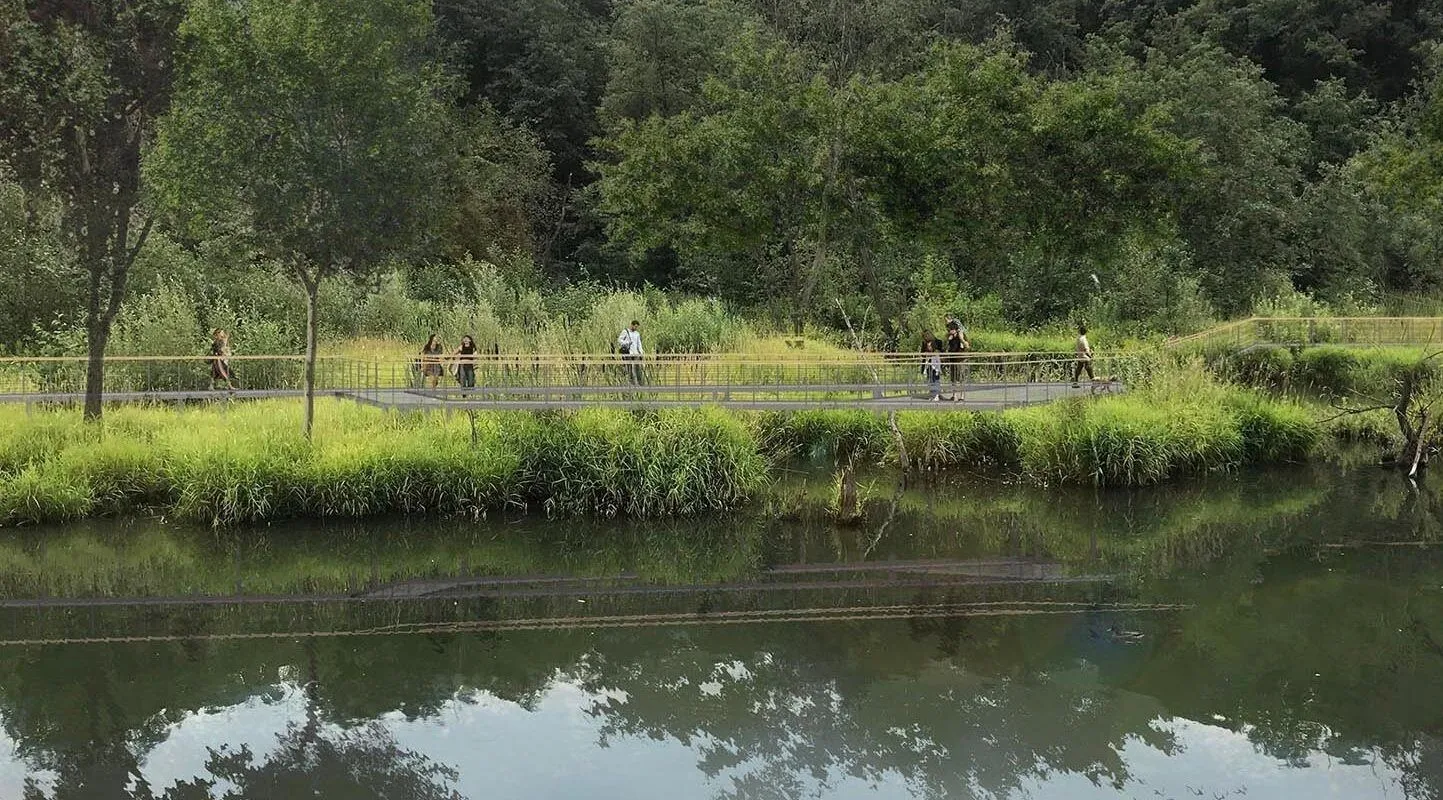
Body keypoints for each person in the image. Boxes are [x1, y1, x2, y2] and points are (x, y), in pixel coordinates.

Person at [944, 319, 970, 402]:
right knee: (953, 378)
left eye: (950, 329)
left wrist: (961, 339)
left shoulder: (961, 335)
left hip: (960, 360)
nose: (949, 331)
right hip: (952, 359)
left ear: (954, 329)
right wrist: (948, 339)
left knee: (961, 378)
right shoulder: (950, 337)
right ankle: (954, 395)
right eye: (948, 330)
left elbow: (967, 346)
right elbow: (946, 347)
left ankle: (962, 396)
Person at [617, 320, 644, 385]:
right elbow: (619, 340)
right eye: (635, 326)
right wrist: (627, 343)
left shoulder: (637, 333)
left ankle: (639, 382)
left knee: (637, 367)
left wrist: (641, 352)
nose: (636, 328)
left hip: (636, 353)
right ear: (631, 325)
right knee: (629, 367)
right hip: (628, 352)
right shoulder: (625, 332)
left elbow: (639, 343)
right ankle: (630, 382)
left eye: (637, 327)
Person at [920, 331, 942, 402]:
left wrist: (932, 352)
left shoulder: (938, 342)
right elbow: (922, 353)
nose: (924, 339)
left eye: (925, 337)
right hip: (928, 363)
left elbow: (939, 352)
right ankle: (932, 394)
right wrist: (925, 353)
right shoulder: (924, 343)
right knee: (930, 379)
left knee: (936, 379)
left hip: (935, 363)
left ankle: (936, 395)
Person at [1072, 323, 1095, 388]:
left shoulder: (1078, 338)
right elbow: (1086, 349)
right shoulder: (1083, 339)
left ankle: (1075, 382)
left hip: (1080, 355)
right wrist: (1090, 356)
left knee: (1079, 369)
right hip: (1085, 356)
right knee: (1089, 368)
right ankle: (1094, 381)